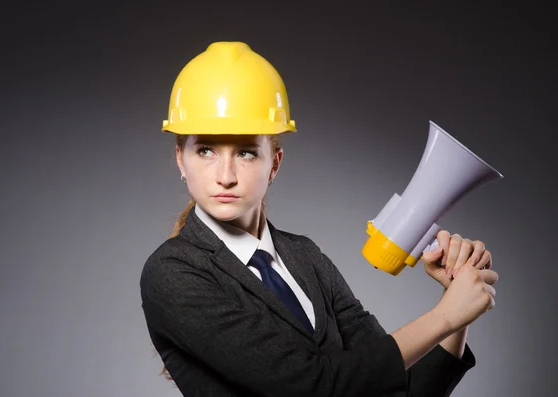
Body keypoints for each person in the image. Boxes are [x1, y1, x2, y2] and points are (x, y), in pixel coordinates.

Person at [139, 41, 499, 397]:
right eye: (206, 151)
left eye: (247, 153)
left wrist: (457, 312)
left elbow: (399, 388)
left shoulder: (305, 256)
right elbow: (308, 386)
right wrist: (444, 317)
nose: (226, 175)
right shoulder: (172, 272)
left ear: (274, 163)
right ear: (180, 159)